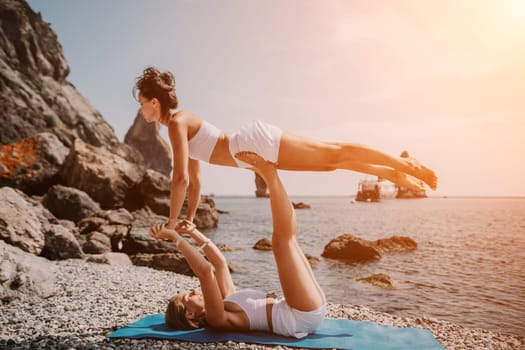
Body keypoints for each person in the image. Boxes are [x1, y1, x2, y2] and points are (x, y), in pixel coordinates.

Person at [134, 67, 438, 230]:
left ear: (154, 101)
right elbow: (195, 180)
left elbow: (180, 179)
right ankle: (397, 173)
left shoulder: (176, 123)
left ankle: (404, 165)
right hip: (252, 151)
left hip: (252, 145)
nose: (141, 110)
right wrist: (188, 218)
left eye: (142, 103)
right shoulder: (178, 124)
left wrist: (172, 223)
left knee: (335, 151)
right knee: (333, 162)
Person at [150, 151, 326, 338]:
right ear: (190, 315)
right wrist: (175, 239)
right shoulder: (216, 318)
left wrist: (193, 232)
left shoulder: (226, 300)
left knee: (289, 240)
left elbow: (219, 263)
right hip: (299, 316)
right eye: (188, 297)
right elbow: (205, 272)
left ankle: (269, 173)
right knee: (282, 243)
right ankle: (269, 172)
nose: (193, 291)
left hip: (302, 308)